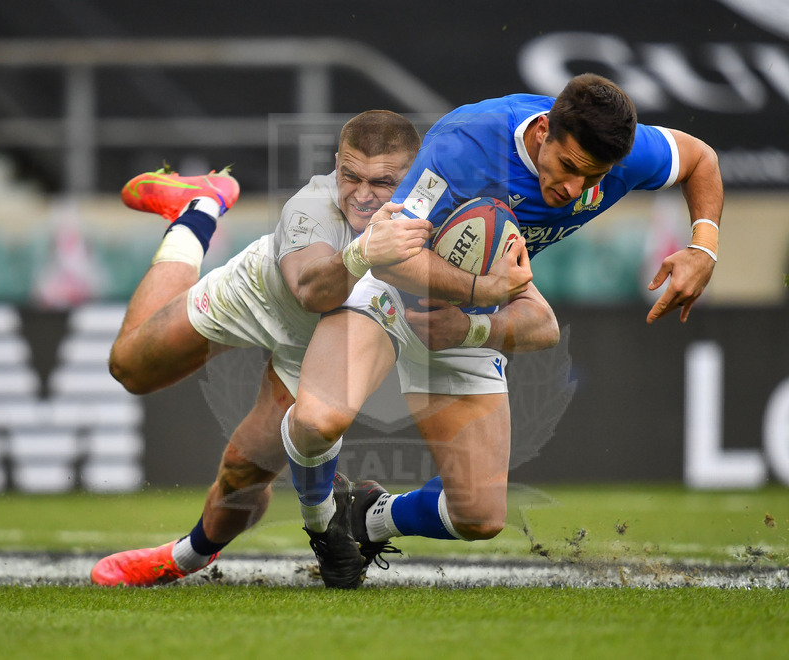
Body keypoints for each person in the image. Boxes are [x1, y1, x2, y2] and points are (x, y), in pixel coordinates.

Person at [280, 73, 724, 588]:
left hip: (468, 308)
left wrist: (703, 247)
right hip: (392, 290)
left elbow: (701, 159)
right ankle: (323, 525)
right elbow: (390, 258)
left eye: (594, 177)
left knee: (478, 516)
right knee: (317, 420)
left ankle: (366, 517)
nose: (574, 190)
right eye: (567, 167)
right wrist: (485, 286)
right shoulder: (464, 144)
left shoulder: (624, 153)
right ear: (542, 132)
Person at [90, 109, 532, 587]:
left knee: (242, 474)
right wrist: (365, 252)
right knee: (130, 368)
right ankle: (199, 208)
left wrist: (483, 302)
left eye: (383, 182)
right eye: (351, 176)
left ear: (415, 176)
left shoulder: (448, 214)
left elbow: (538, 318)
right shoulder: (312, 205)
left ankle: (184, 557)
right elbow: (310, 291)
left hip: (320, 341)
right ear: (336, 164)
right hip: (264, 294)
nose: (362, 195)